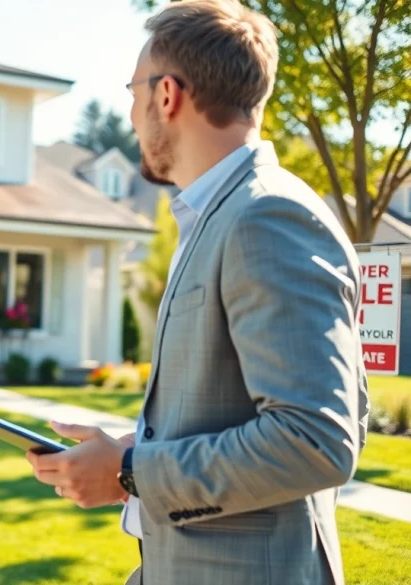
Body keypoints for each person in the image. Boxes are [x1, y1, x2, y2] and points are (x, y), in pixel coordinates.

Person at [26, 1, 369, 584]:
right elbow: (230, 409)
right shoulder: (220, 214)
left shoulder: (267, 216)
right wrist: (130, 449)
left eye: (133, 92)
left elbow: (317, 439)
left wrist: (132, 469)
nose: (131, 115)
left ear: (167, 95)